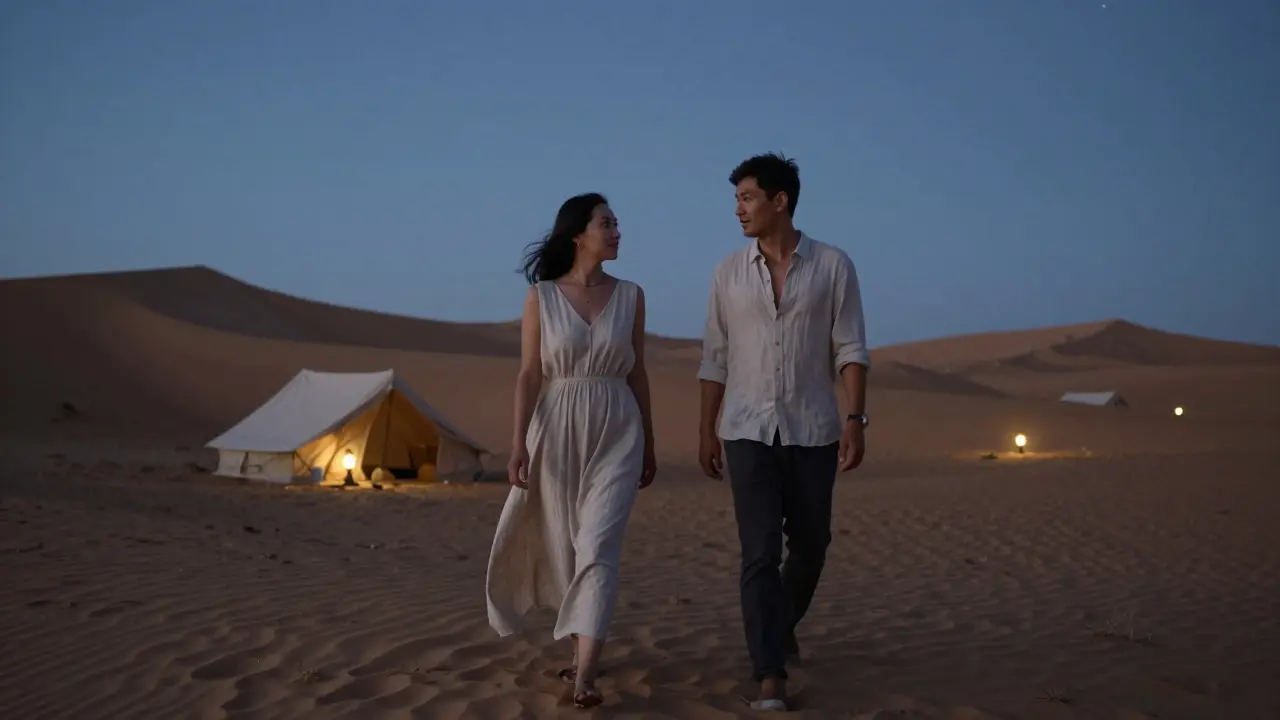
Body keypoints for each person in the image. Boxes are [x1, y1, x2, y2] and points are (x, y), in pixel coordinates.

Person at [697, 153, 870, 711]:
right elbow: (714, 358)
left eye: (748, 198)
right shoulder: (727, 272)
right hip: (746, 429)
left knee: (812, 545)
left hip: (814, 427)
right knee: (759, 551)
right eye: (736, 200)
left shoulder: (834, 266)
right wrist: (706, 430)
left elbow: (851, 348)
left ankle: (778, 623)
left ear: (781, 201)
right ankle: (769, 671)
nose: (739, 210)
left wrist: (855, 418)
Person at [485, 192, 657, 709]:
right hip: (556, 426)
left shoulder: (631, 295)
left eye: (618, 222)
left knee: (598, 545)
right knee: (566, 543)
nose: (618, 231)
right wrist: (518, 443)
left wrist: (649, 439)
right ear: (579, 234)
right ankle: (581, 642)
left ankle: (585, 674)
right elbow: (529, 372)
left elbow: (637, 370)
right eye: (608, 223)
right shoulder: (542, 297)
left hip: (617, 426)